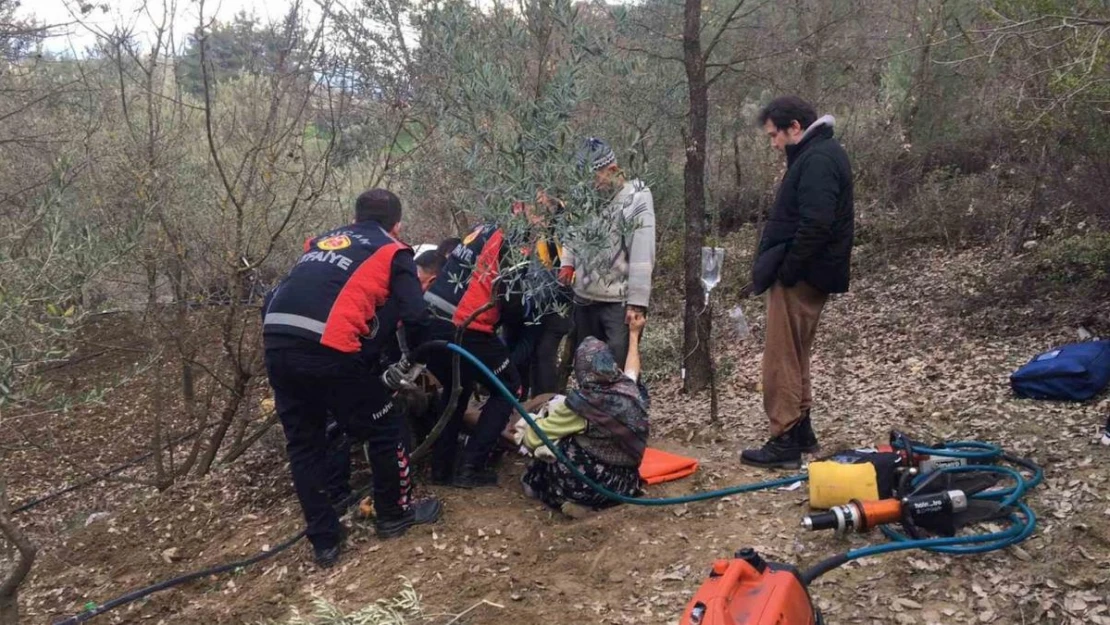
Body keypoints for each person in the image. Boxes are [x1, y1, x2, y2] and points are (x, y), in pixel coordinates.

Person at [262, 189, 443, 568]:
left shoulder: (322, 241)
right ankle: (395, 515)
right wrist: (420, 358)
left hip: (276, 342)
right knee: (385, 425)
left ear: (355, 217)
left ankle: (325, 543)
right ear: (397, 225)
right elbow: (414, 313)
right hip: (328, 349)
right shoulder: (394, 251)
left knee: (303, 444)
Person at [740, 96, 854, 469]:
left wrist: (787, 271)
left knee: (781, 357)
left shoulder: (819, 159)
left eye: (775, 135)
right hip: (810, 273)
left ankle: (784, 438)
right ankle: (801, 430)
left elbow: (816, 224)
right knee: (796, 353)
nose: (773, 143)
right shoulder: (820, 154)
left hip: (802, 276)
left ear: (795, 128)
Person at [422, 222, 525, 488]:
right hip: (466, 325)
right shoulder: (514, 235)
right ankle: (471, 467)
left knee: (458, 388)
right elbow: (512, 299)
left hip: (432, 319)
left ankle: (441, 469)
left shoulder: (484, 229)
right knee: (508, 387)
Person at [518, 313, 649, 518]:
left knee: (557, 446)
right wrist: (634, 334)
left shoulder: (584, 404)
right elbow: (632, 369)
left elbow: (534, 438)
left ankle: (571, 499)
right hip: (625, 484)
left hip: (590, 486)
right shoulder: (629, 389)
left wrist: (531, 424)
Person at [560, 138, 656, 369]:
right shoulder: (583, 195)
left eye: (594, 179)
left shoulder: (638, 196)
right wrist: (567, 263)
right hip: (584, 299)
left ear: (611, 170)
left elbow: (644, 251)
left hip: (618, 303)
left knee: (617, 370)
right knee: (587, 368)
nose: (590, 186)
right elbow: (572, 231)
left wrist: (637, 303)